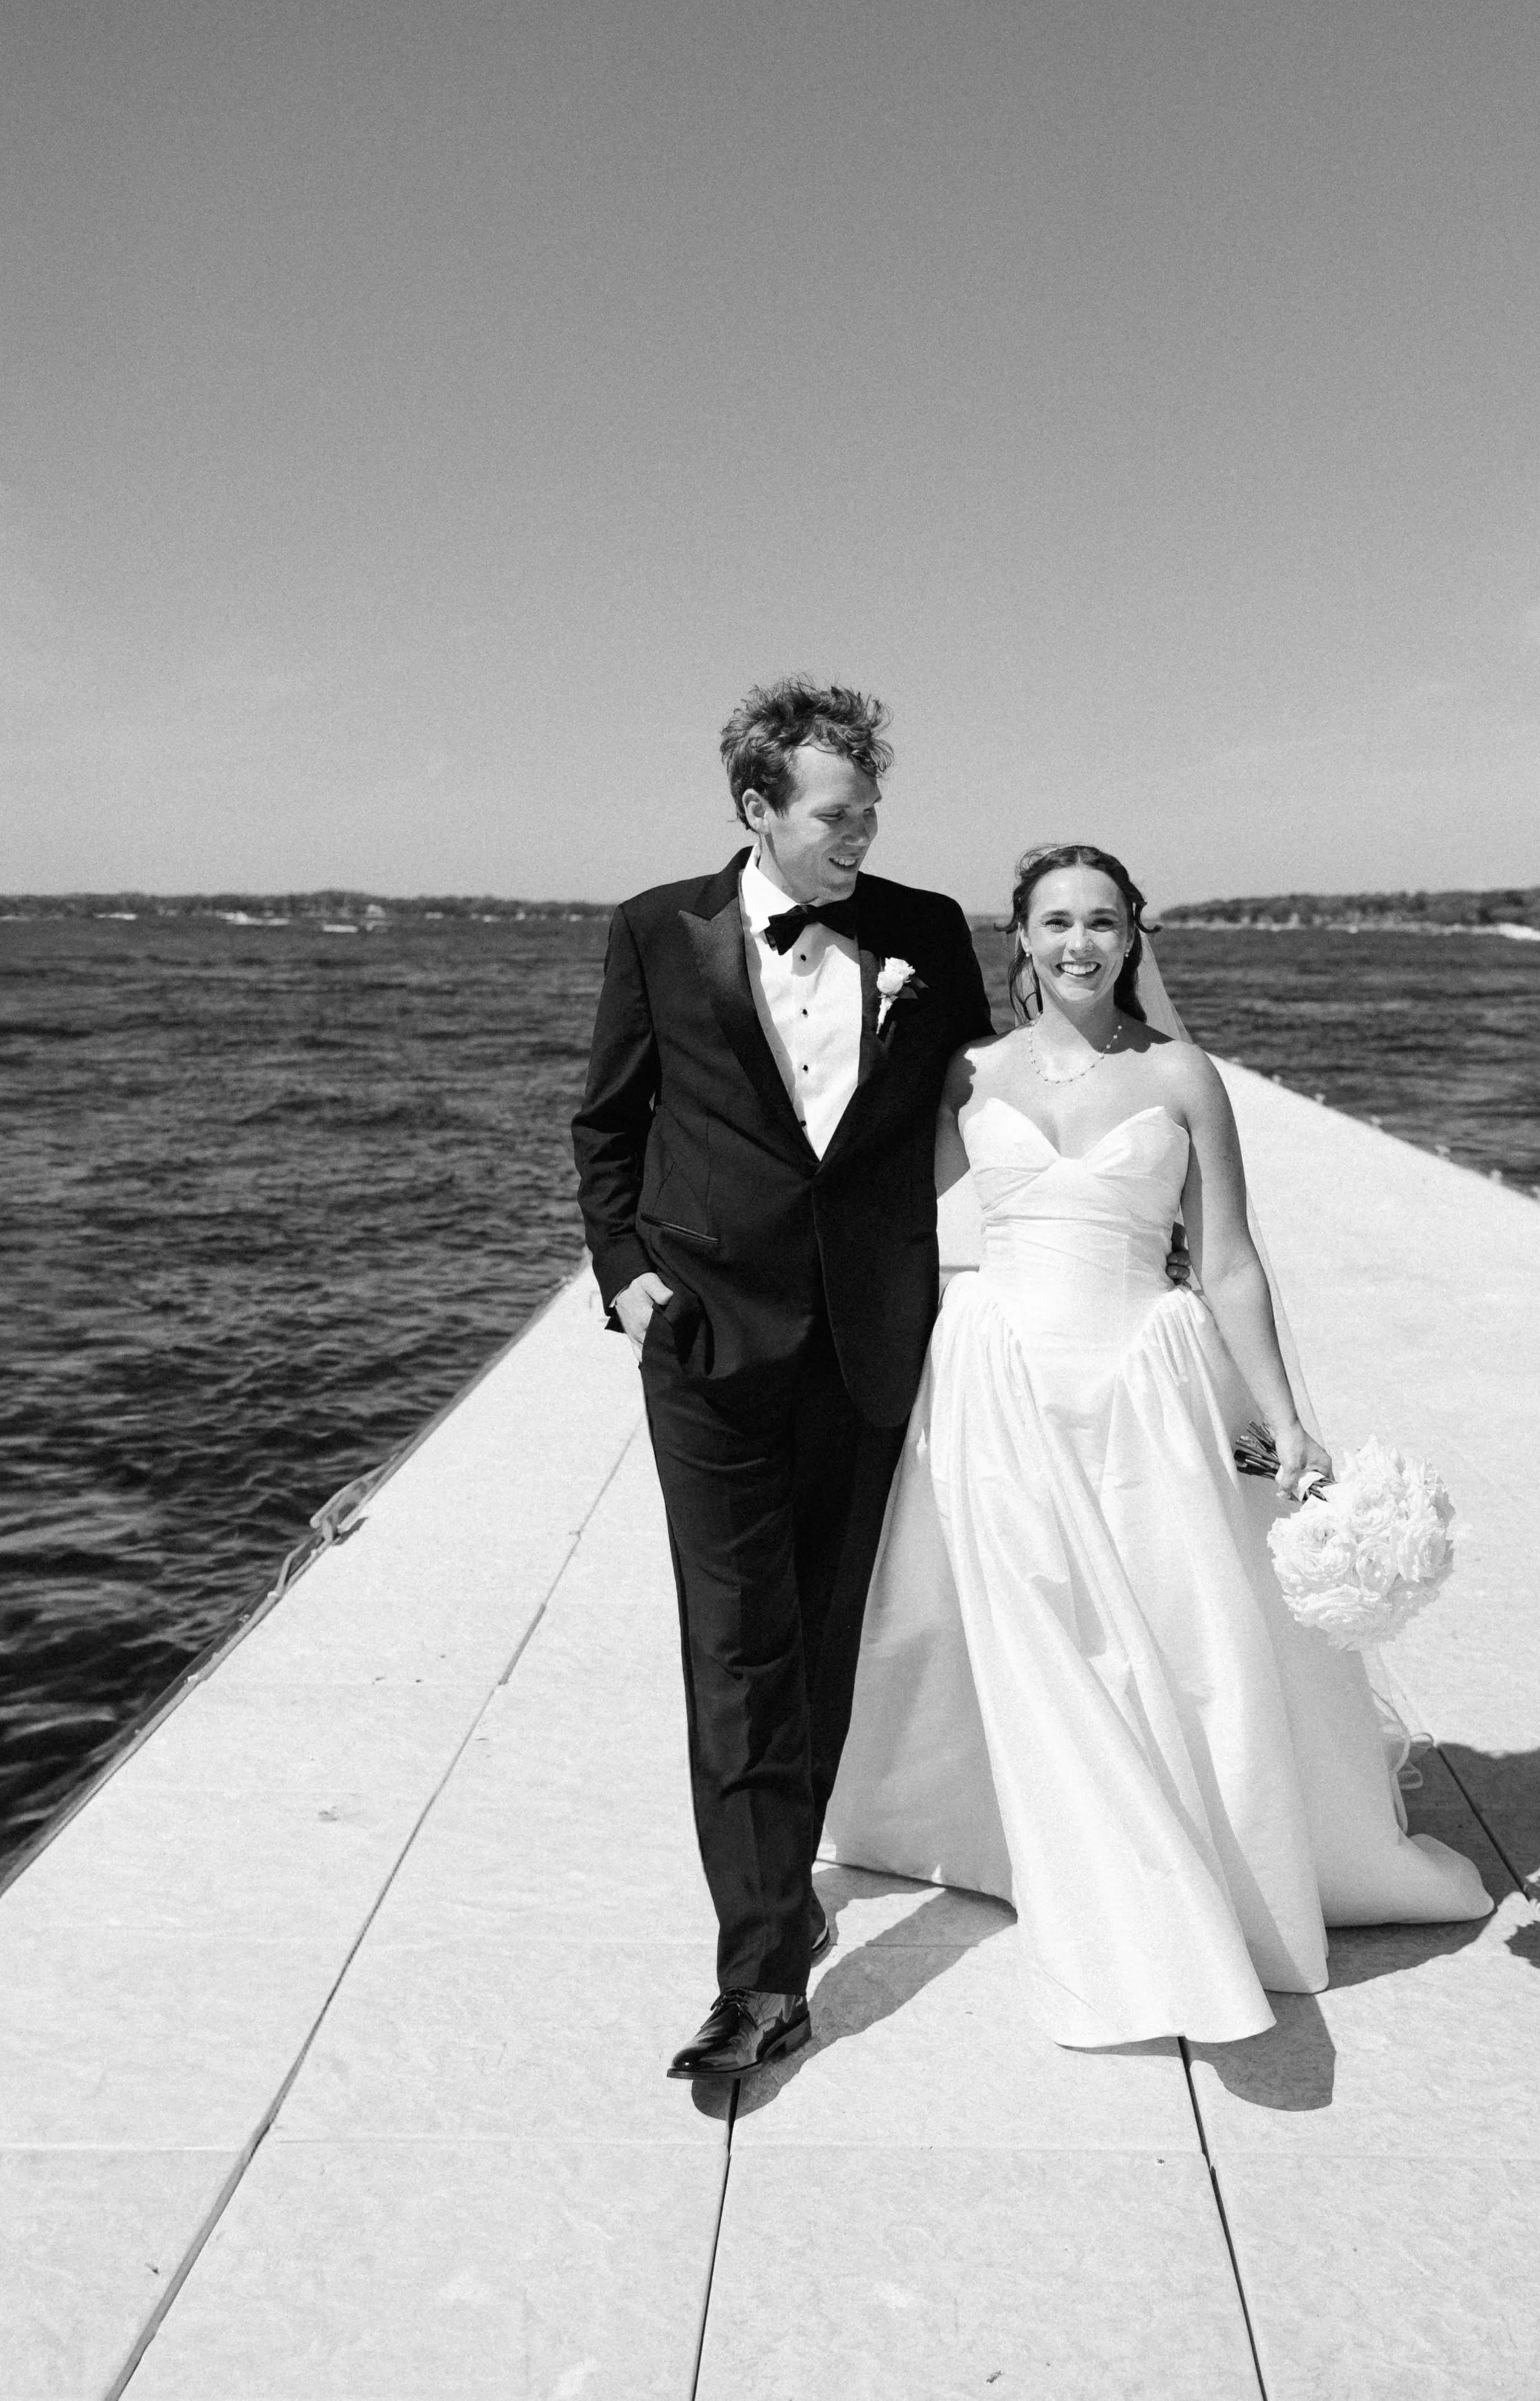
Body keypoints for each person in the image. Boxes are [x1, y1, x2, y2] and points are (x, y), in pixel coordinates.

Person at [825, 843, 1490, 2048]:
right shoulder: (966, 1071)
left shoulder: (1185, 1076)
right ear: (1016, 936)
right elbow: (898, 1220)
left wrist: (1285, 1417)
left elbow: (1227, 1258)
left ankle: (1195, 1853)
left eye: (1101, 920)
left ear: (1134, 933)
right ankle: (1109, 1907)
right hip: (1000, 1380)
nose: (1078, 942)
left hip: (1142, 1379)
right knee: (1036, 1636)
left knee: (1178, 1640)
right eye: (1053, 921)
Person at [571, 678, 993, 2079]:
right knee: (737, 1646)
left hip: (871, 1333)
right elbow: (607, 1121)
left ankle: (784, 1897)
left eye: (871, 809)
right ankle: (759, 1972)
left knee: (817, 1638)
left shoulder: (925, 932)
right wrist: (623, 1268)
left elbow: (984, 1100)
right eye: (836, 811)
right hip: (706, 1341)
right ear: (758, 808)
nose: (860, 831)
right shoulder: (655, 929)